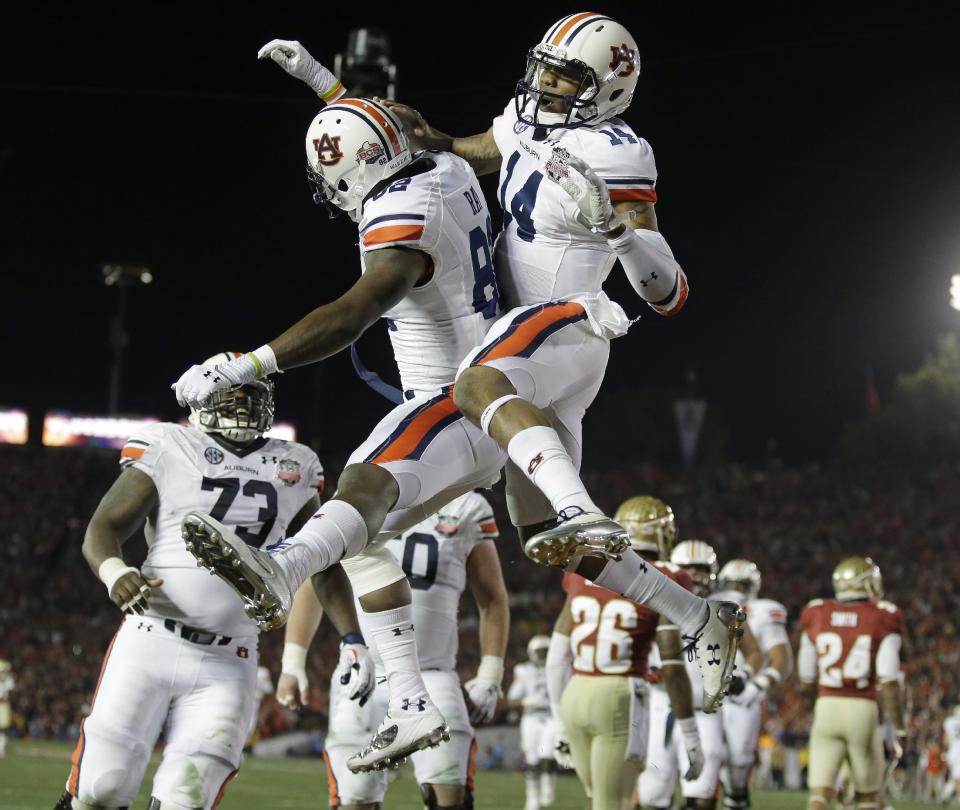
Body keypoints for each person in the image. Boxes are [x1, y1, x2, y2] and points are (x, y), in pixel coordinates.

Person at [179, 18, 742, 765]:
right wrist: (329, 88)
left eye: (565, 78)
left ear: (609, 88)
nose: (544, 86)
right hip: (512, 353)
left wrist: (622, 234)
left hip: (571, 324)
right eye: (542, 69)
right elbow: (442, 145)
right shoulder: (515, 128)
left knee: (479, 394)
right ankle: (694, 612)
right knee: (517, 531)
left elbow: (666, 294)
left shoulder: (620, 151)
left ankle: (573, 510)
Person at [54, 360, 373, 810]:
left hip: (231, 655)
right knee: (101, 789)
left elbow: (321, 561)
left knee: (188, 796)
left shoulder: (295, 463)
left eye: (252, 393)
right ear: (201, 397)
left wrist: (352, 638)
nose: (244, 403)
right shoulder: (170, 444)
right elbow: (103, 527)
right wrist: (115, 571)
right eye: (232, 393)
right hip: (152, 639)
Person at [277, 492, 509, 810]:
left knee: (450, 796)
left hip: (433, 674)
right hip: (365, 674)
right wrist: (292, 661)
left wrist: (491, 672)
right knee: (355, 799)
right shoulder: (357, 495)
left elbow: (493, 598)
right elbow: (317, 580)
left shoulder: (465, 504)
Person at [547, 496, 703, 810]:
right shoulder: (668, 577)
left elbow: (556, 655)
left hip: (575, 693)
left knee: (598, 800)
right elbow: (671, 665)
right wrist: (690, 733)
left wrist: (558, 719)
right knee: (615, 803)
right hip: (619, 694)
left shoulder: (586, 567)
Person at [798, 557, 907, 810]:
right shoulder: (883, 615)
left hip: (826, 706)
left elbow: (806, 677)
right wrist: (900, 729)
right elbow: (889, 680)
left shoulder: (816, 611)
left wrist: (820, 703)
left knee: (818, 796)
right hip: (861, 707)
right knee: (867, 798)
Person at [639, 539, 730, 810]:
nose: (693, 576)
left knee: (702, 796)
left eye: (699, 569)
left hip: (704, 710)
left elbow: (751, 653)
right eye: (687, 569)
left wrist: (745, 675)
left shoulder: (724, 610)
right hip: (659, 704)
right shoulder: (653, 603)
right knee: (652, 796)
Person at [713, 559, 793, 810]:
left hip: (740, 693)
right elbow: (782, 659)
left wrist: (755, 686)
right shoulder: (709, 602)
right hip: (705, 690)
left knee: (738, 761)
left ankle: (735, 799)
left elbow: (781, 658)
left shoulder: (761, 610)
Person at [507, 635, 557, 810]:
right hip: (531, 717)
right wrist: (527, 701)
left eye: (545, 651)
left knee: (548, 753)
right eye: (540, 651)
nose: (543, 654)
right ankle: (532, 796)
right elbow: (512, 699)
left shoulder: (557, 669)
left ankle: (548, 780)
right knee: (532, 759)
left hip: (552, 716)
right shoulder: (523, 670)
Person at [0, 658, 13, 758]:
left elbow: (8, 696)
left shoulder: (8, 681)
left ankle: (1, 749)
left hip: (4, 708)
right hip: (3, 706)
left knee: (3, 729)